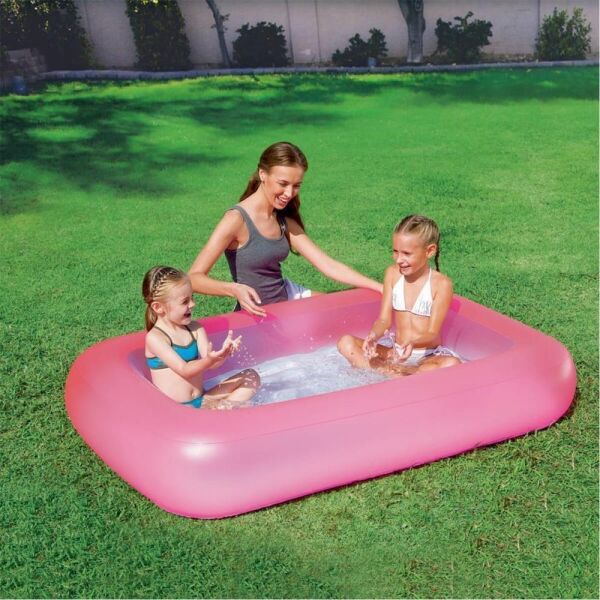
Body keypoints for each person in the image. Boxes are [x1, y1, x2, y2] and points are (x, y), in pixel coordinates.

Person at [188, 141, 383, 317]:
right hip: (257, 312)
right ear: (263, 174)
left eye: (296, 185)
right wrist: (233, 289)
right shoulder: (236, 220)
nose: (289, 193)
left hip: (287, 296)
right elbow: (193, 278)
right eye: (283, 184)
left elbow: (327, 265)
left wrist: (380, 287)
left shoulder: (282, 219)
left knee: (348, 313)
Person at [337, 215, 462, 376]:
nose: (398, 259)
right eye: (395, 252)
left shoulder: (441, 284)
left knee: (452, 364)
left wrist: (413, 342)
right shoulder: (392, 274)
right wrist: (374, 336)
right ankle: (399, 374)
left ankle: (390, 373)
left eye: (407, 253)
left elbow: (432, 333)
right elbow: (384, 320)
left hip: (426, 357)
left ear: (429, 251)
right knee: (346, 342)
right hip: (395, 353)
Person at [142, 266, 260, 409]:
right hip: (180, 410)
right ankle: (224, 411)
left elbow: (212, 364)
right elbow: (185, 370)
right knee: (245, 406)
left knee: (251, 377)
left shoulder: (195, 329)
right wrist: (209, 360)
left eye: (192, 297)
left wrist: (223, 354)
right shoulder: (155, 338)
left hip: (203, 400)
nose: (192, 304)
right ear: (158, 307)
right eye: (185, 301)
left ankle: (221, 410)